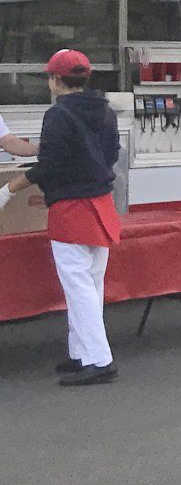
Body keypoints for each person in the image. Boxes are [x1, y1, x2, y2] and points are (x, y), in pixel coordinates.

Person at [2, 49, 123, 385]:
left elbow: (50, 164)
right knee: (92, 283)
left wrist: (11, 188)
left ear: (54, 79)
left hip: (71, 211)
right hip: (100, 202)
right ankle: (82, 353)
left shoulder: (58, 115)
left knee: (78, 287)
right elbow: (111, 155)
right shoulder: (105, 110)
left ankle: (99, 360)